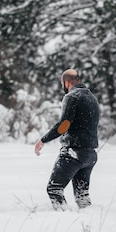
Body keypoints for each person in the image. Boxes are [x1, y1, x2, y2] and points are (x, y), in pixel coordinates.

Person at [34, 69, 100, 210]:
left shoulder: (72, 96)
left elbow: (64, 125)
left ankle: (62, 219)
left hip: (73, 153)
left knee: (54, 188)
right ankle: (89, 221)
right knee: (82, 195)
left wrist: (43, 140)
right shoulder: (92, 98)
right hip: (90, 155)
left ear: (66, 82)